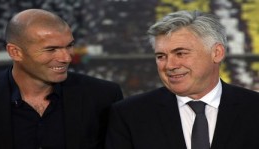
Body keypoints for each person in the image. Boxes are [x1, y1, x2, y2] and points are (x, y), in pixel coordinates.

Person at [105, 10, 259, 149]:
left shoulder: (254, 109)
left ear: (217, 53)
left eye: (181, 53)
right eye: (161, 56)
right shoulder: (130, 115)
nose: (170, 65)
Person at [0, 9, 123, 149]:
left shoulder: (103, 96)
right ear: (15, 52)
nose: (66, 58)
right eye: (51, 49)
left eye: (69, 46)